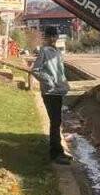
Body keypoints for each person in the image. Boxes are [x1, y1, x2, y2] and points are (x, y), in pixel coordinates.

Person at [30, 26, 71, 164]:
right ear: (46, 37)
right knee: (54, 122)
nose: (53, 38)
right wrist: (49, 81)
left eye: (55, 36)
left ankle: (59, 151)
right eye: (50, 36)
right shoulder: (44, 51)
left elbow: (60, 71)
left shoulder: (57, 52)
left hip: (58, 91)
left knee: (57, 122)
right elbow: (35, 70)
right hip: (50, 92)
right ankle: (55, 154)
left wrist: (64, 83)